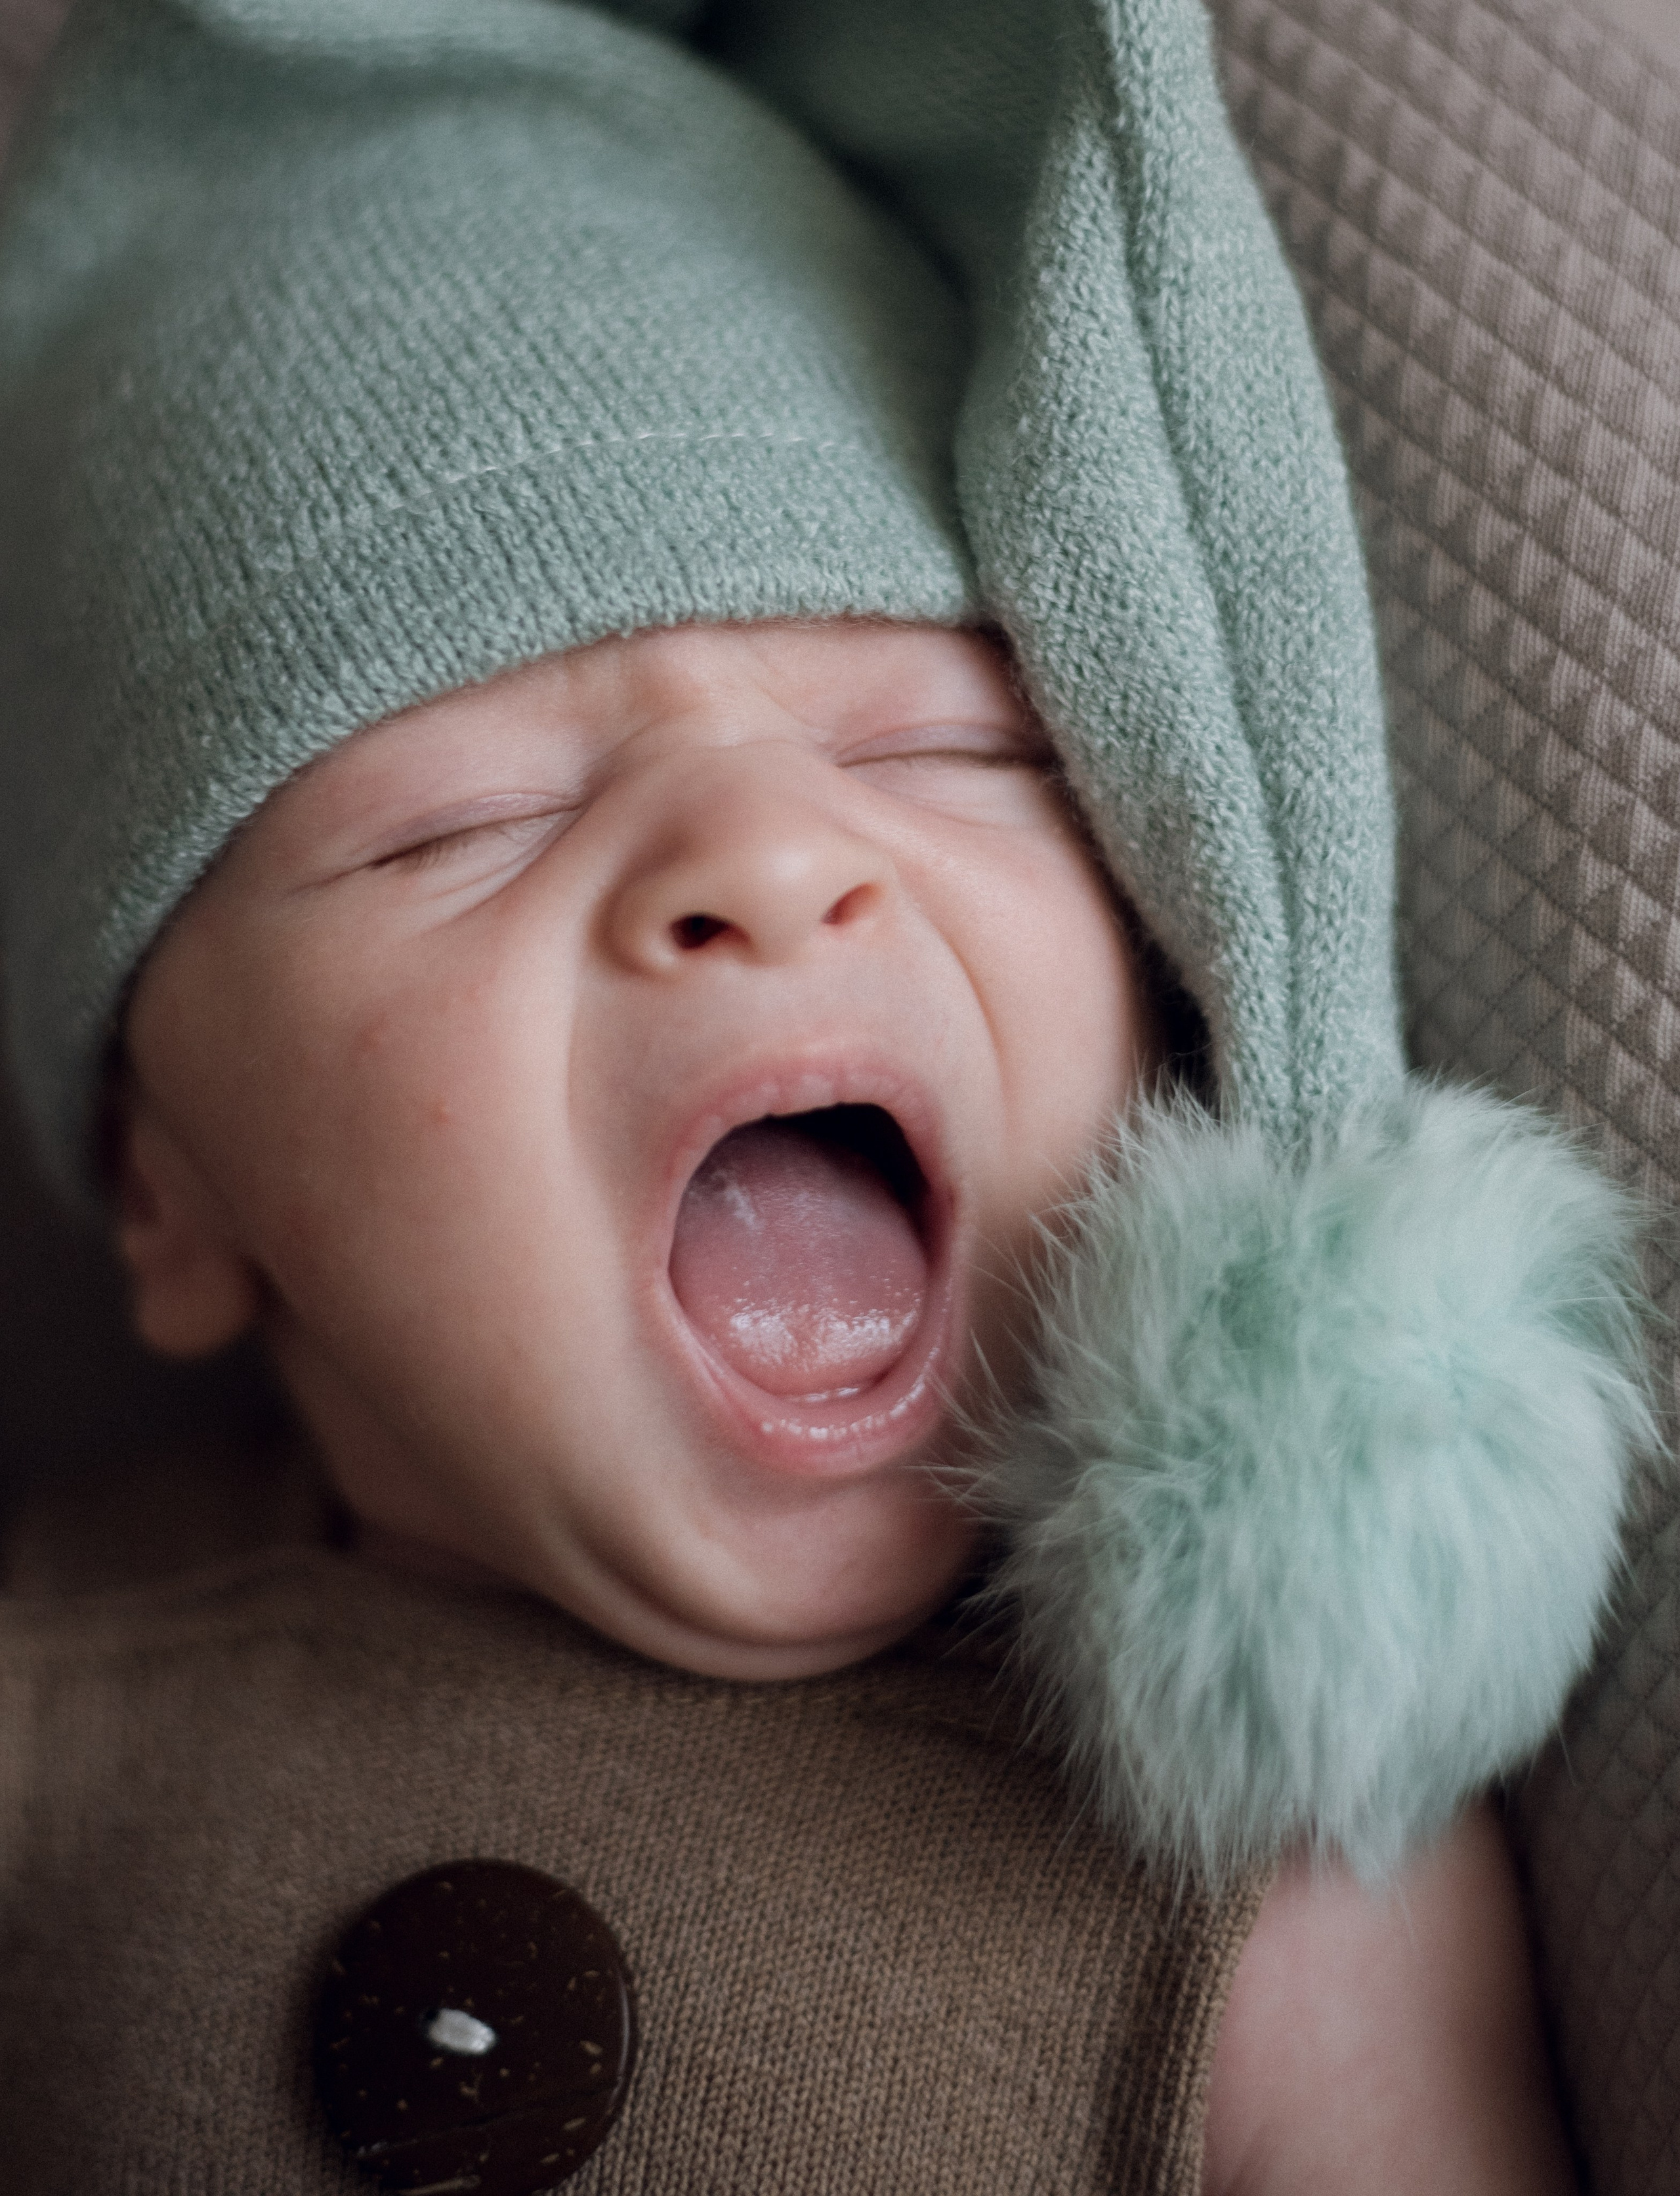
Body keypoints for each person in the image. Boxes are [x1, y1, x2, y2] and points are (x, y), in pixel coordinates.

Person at [0, 1, 1650, 2189]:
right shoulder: (61, 1699)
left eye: (936, 751)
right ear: (168, 1187)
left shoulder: (1290, 1886)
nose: (769, 858)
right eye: (453, 825)